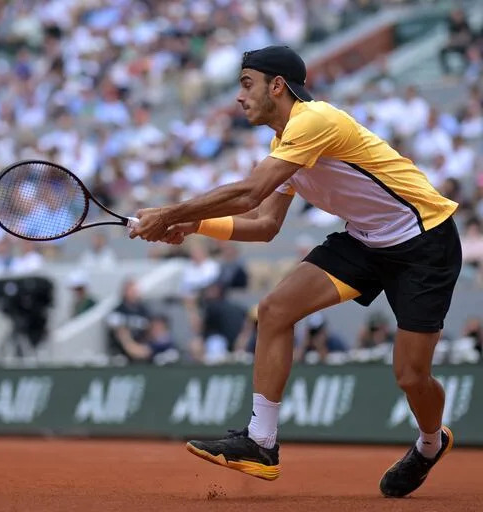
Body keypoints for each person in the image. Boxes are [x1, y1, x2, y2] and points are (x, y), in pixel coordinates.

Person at [130, 45, 461, 498]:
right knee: (274, 309)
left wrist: (169, 213)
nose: (239, 97)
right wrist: (194, 225)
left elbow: (249, 193)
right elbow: (265, 225)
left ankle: (429, 443)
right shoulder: (283, 143)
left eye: (246, 84)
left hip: (425, 240)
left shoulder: (314, 120)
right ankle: (261, 443)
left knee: (410, 376)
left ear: (277, 86)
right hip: (366, 241)